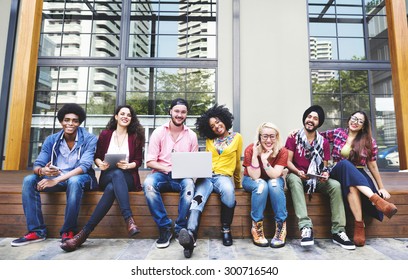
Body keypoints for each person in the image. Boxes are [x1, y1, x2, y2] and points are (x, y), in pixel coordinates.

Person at [60, 105, 145, 252]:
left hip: (128, 177)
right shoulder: (106, 134)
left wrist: (129, 165)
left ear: (131, 119)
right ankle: (129, 220)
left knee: (115, 182)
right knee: (114, 177)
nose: (125, 116)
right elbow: (96, 156)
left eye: (129, 115)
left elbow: (139, 160)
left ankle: (83, 234)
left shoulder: (135, 136)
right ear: (116, 117)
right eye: (122, 114)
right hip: (107, 175)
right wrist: (100, 163)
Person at [11, 103, 98, 247]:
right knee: (29, 180)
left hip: (82, 179)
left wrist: (56, 180)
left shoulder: (89, 139)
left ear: (79, 123)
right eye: (67, 120)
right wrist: (42, 171)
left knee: (74, 181)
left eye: (75, 120)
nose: (70, 123)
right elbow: (38, 164)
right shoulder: (51, 140)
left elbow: (84, 166)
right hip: (57, 178)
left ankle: (68, 231)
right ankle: (36, 231)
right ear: (61, 121)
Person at [319, 111, 398, 247]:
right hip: (338, 171)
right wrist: (298, 131)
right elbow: (316, 136)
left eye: (360, 121)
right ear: (349, 119)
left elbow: (372, 165)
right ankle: (377, 201)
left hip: (359, 174)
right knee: (345, 164)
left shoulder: (368, 141)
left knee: (352, 186)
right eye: (354, 118)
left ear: (363, 126)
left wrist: (381, 187)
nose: (355, 122)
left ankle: (359, 225)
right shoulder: (338, 133)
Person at [285, 105, 355, 250]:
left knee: (335, 185)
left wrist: (324, 174)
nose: (311, 120)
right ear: (305, 118)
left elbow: (324, 165)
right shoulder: (294, 137)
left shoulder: (323, 141)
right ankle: (305, 228)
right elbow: (287, 162)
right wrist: (298, 172)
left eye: (315, 118)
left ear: (319, 123)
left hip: (315, 179)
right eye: (309, 117)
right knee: (292, 178)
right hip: (298, 176)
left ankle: (338, 231)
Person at [179, 104, 243, 258]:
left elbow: (237, 163)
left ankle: (226, 230)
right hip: (206, 176)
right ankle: (190, 235)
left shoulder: (237, 138)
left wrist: (238, 183)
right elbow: (205, 160)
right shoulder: (210, 140)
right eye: (212, 126)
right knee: (196, 200)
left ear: (225, 120)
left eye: (218, 122)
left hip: (223, 177)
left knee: (228, 192)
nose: (216, 126)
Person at [143, 98, 198, 249]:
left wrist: (191, 173)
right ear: (170, 112)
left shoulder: (191, 135)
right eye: (177, 111)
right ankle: (165, 228)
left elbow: (194, 162)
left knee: (189, 185)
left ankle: (181, 229)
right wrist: (167, 169)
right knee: (148, 184)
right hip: (161, 174)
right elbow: (150, 161)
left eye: (183, 112)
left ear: (186, 114)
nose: (179, 115)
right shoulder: (159, 132)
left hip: (181, 177)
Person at [242, 122, 288, 248]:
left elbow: (275, 175)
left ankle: (280, 228)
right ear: (259, 137)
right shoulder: (250, 149)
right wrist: (256, 156)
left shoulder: (282, 151)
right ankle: (256, 227)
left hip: (273, 178)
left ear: (277, 137)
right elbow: (255, 176)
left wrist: (264, 160)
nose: (268, 140)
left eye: (272, 136)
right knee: (261, 185)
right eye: (265, 136)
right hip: (251, 179)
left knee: (273, 184)